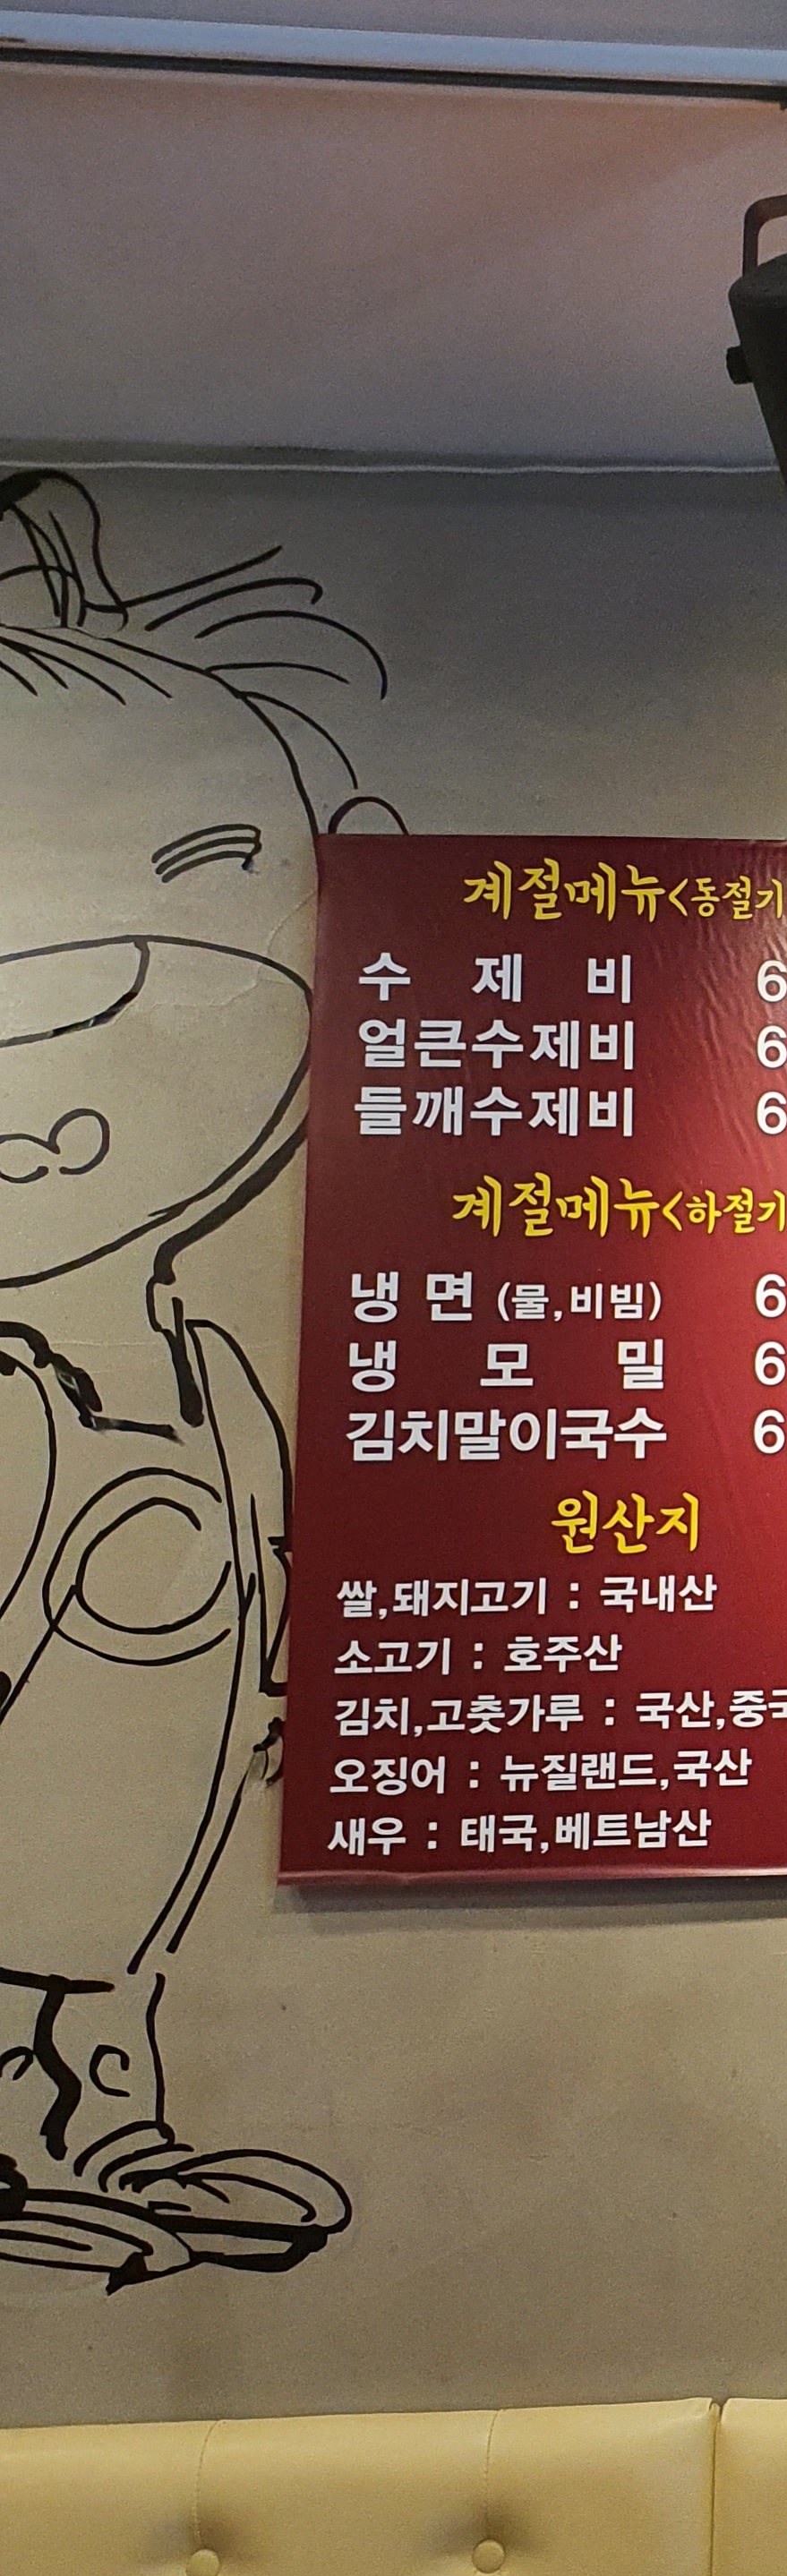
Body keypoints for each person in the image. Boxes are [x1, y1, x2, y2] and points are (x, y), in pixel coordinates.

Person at [0, 470, 381, 2287]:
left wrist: (286, 1690)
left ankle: (111, 2124)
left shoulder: (213, 1372)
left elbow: (261, 1575)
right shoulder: (17, 1403)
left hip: (154, 1809)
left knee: (112, 1943)